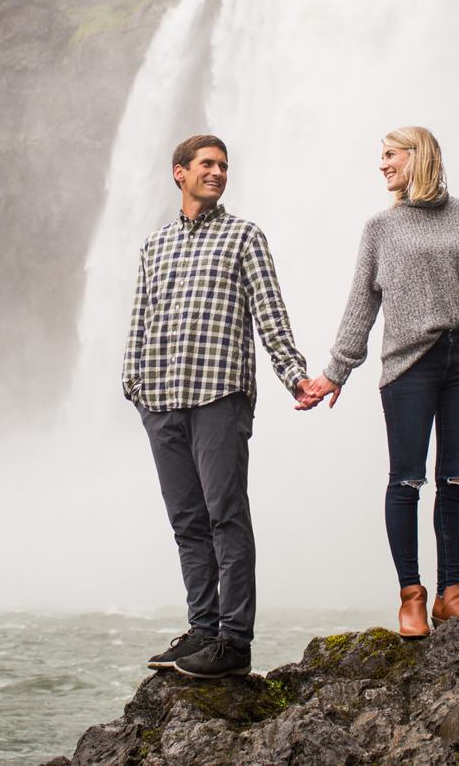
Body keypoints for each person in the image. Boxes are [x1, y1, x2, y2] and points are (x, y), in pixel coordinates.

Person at [299, 126, 459, 638]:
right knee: (406, 480)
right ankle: (412, 596)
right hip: (407, 367)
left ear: (418, 158)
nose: (382, 165)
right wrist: (335, 372)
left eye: (389, 155)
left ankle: (451, 595)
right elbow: (362, 303)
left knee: (455, 480)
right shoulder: (380, 228)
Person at [126, 134, 318, 679]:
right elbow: (139, 321)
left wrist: (293, 376)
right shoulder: (154, 245)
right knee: (187, 521)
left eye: (224, 166)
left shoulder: (245, 238)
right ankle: (202, 631)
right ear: (179, 173)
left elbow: (270, 314)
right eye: (207, 164)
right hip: (161, 400)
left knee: (225, 516)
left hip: (218, 395)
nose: (217, 173)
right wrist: (134, 389)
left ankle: (233, 641)